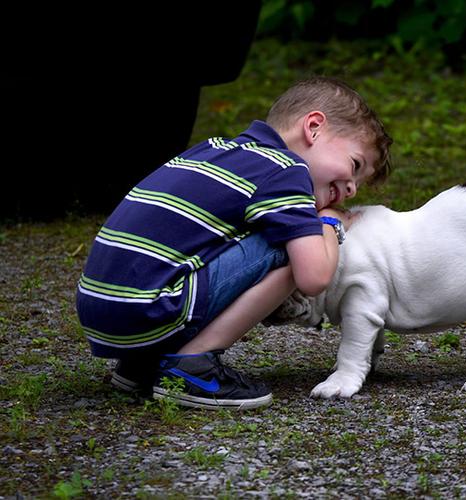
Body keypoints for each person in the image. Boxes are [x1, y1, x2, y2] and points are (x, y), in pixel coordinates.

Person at [75, 76, 393, 410]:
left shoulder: (213, 150)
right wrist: (328, 222)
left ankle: (143, 365)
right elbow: (313, 277)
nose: (352, 190)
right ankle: (192, 365)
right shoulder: (286, 171)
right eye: (355, 166)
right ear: (313, 127)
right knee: (289, 244)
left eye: (358, 183)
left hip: (102, 310)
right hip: (149, 309)